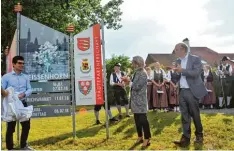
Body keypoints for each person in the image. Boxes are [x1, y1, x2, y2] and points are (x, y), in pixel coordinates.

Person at [172, 43, 207, 147]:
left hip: (192, 90)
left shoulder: (195, 59)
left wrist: (182, 70)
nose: (175, 52)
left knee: (195, 114)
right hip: (182, 90)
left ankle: (199, 135)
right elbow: (176, 76)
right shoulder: (178, 61)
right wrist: (176, 73)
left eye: (176, 50)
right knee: (184, 116)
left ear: (183, 49)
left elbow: (196, 73)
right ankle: (186, 138)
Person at [1, 56, 33, 150]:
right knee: (11, 127)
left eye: (23, 63)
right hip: (11, 105)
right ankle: (10, 148)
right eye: (19, 63)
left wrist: (23, 94)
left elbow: (30, 89)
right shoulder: (6, 77)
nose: (21, 65)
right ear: (13, 64)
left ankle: (23, 146)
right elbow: (2, 90)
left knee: (26, 126)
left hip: (23, 103)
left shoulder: (26, 77)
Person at [121, 56, 151, 148]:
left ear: (137, 63)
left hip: (141, 101)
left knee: (143, 120)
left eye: (133, 62)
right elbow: (133, 85)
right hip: (135, 100)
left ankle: (147, 138)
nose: (132, 64)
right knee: (137, 120)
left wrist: (128, 81)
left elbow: (137, 86)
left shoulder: (143, 73)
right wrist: (127, 82)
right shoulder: (136, 72)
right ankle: (140, 136)